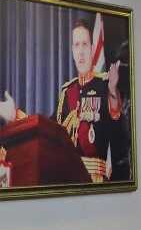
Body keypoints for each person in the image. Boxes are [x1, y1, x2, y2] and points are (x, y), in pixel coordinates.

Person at [0, 18, 130, 182]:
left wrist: (112, 92)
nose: (81, 52)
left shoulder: (105, 84)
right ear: (72, 51)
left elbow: (117, 124)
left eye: (84, 44)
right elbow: (47, 129)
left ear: (92, 48)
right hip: (67, 179)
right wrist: (15, 115)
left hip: (95, 182)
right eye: (76, 45)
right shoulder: (67, 92)